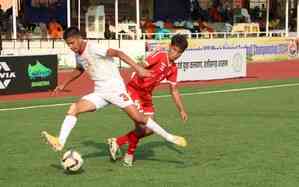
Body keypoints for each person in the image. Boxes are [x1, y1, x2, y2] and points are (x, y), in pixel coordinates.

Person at [41, 27, 187, 153]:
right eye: (68, 44)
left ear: (79, 39)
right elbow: (79, 69)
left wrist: (139, 69)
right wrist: (64, 83)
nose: (71, 47)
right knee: (74, 108)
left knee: (140, 119)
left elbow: (118, 53)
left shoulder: (93, 48)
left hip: (115, 90)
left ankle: (170, 137)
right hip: (100, 92)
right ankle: (60, 142)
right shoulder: (78, 54)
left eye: (72, 43)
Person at [107, 34, 188, 167]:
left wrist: (181, 110)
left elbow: (174, 90)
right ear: (170, 47)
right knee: (141, 123)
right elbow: (140, 65)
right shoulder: (160, 55)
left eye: (179, 52)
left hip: (146, 95)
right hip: (134, 89)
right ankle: (129, 155)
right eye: (174, 50)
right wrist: (141, 71)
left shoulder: (173, 68)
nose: (176, 54)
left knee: (149, 129)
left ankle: (117, 141)